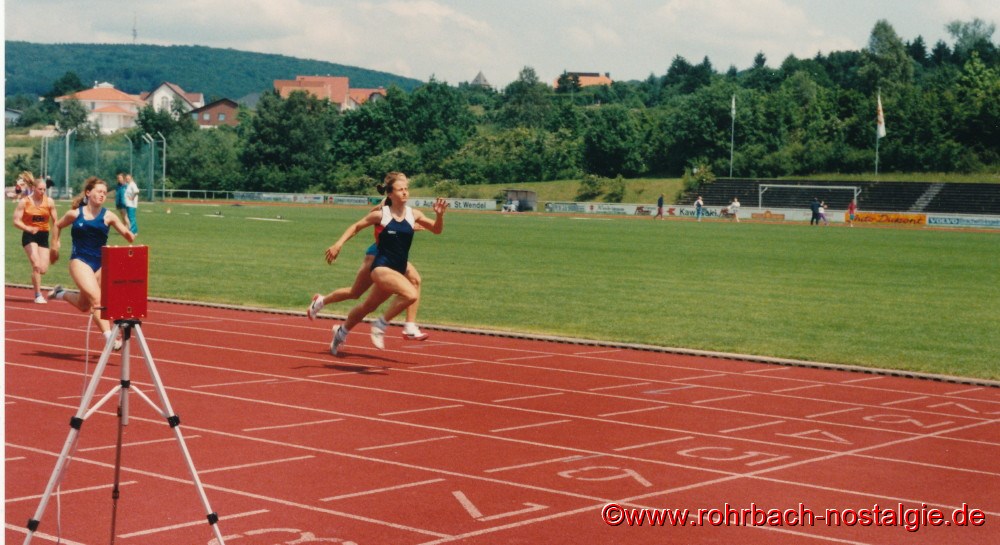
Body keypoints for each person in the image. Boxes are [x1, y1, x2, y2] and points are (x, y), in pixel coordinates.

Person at [325, 172, 447, 355]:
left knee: (368, 306)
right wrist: (338, 244)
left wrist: (439, 216)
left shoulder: (414, 214)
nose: (405, 193)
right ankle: (380, 324)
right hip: (381, 267)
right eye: (400, 190)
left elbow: (437, 230)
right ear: (390, 194)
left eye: (406, 189)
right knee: (411, 294)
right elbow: (356, 226)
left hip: (398, 267)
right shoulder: (381, 215)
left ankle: (341, 332)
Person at [308, 190, 428, 341]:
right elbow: (368, 219)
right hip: (377, 255)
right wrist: (338, 244)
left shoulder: (404, 208)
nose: (405, 190)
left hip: (394, 257)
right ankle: (321, 301)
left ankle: (409, 326)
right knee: (355, 293)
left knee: (415, 280)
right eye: (401, 186)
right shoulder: (386, 205)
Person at [48, 177, 136, 350]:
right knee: (97, 301)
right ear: (88, 193)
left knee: (83, 305)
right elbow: (57, 226)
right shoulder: (75, 214)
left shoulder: (108, 215)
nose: (102, 195)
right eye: (99, 191)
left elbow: (128, 233)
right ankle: (111, 339)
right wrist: (54, 246)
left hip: (101, 264)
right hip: (80, 261)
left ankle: (60, 293)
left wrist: (130, 234)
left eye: (104, 192)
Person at [12, 173, 59, 303]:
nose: (43, 192)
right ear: (34, 188)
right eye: (40, 189)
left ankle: (35, 275)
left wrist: (56, 240)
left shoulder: (49, 201)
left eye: (44, 189)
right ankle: (38, 295)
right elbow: (16, 221)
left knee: (43, 269)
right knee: (36, 265)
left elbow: (56, 222)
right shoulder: (24, 202)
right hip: (29, 235)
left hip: (43, 235)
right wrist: (28, 228)